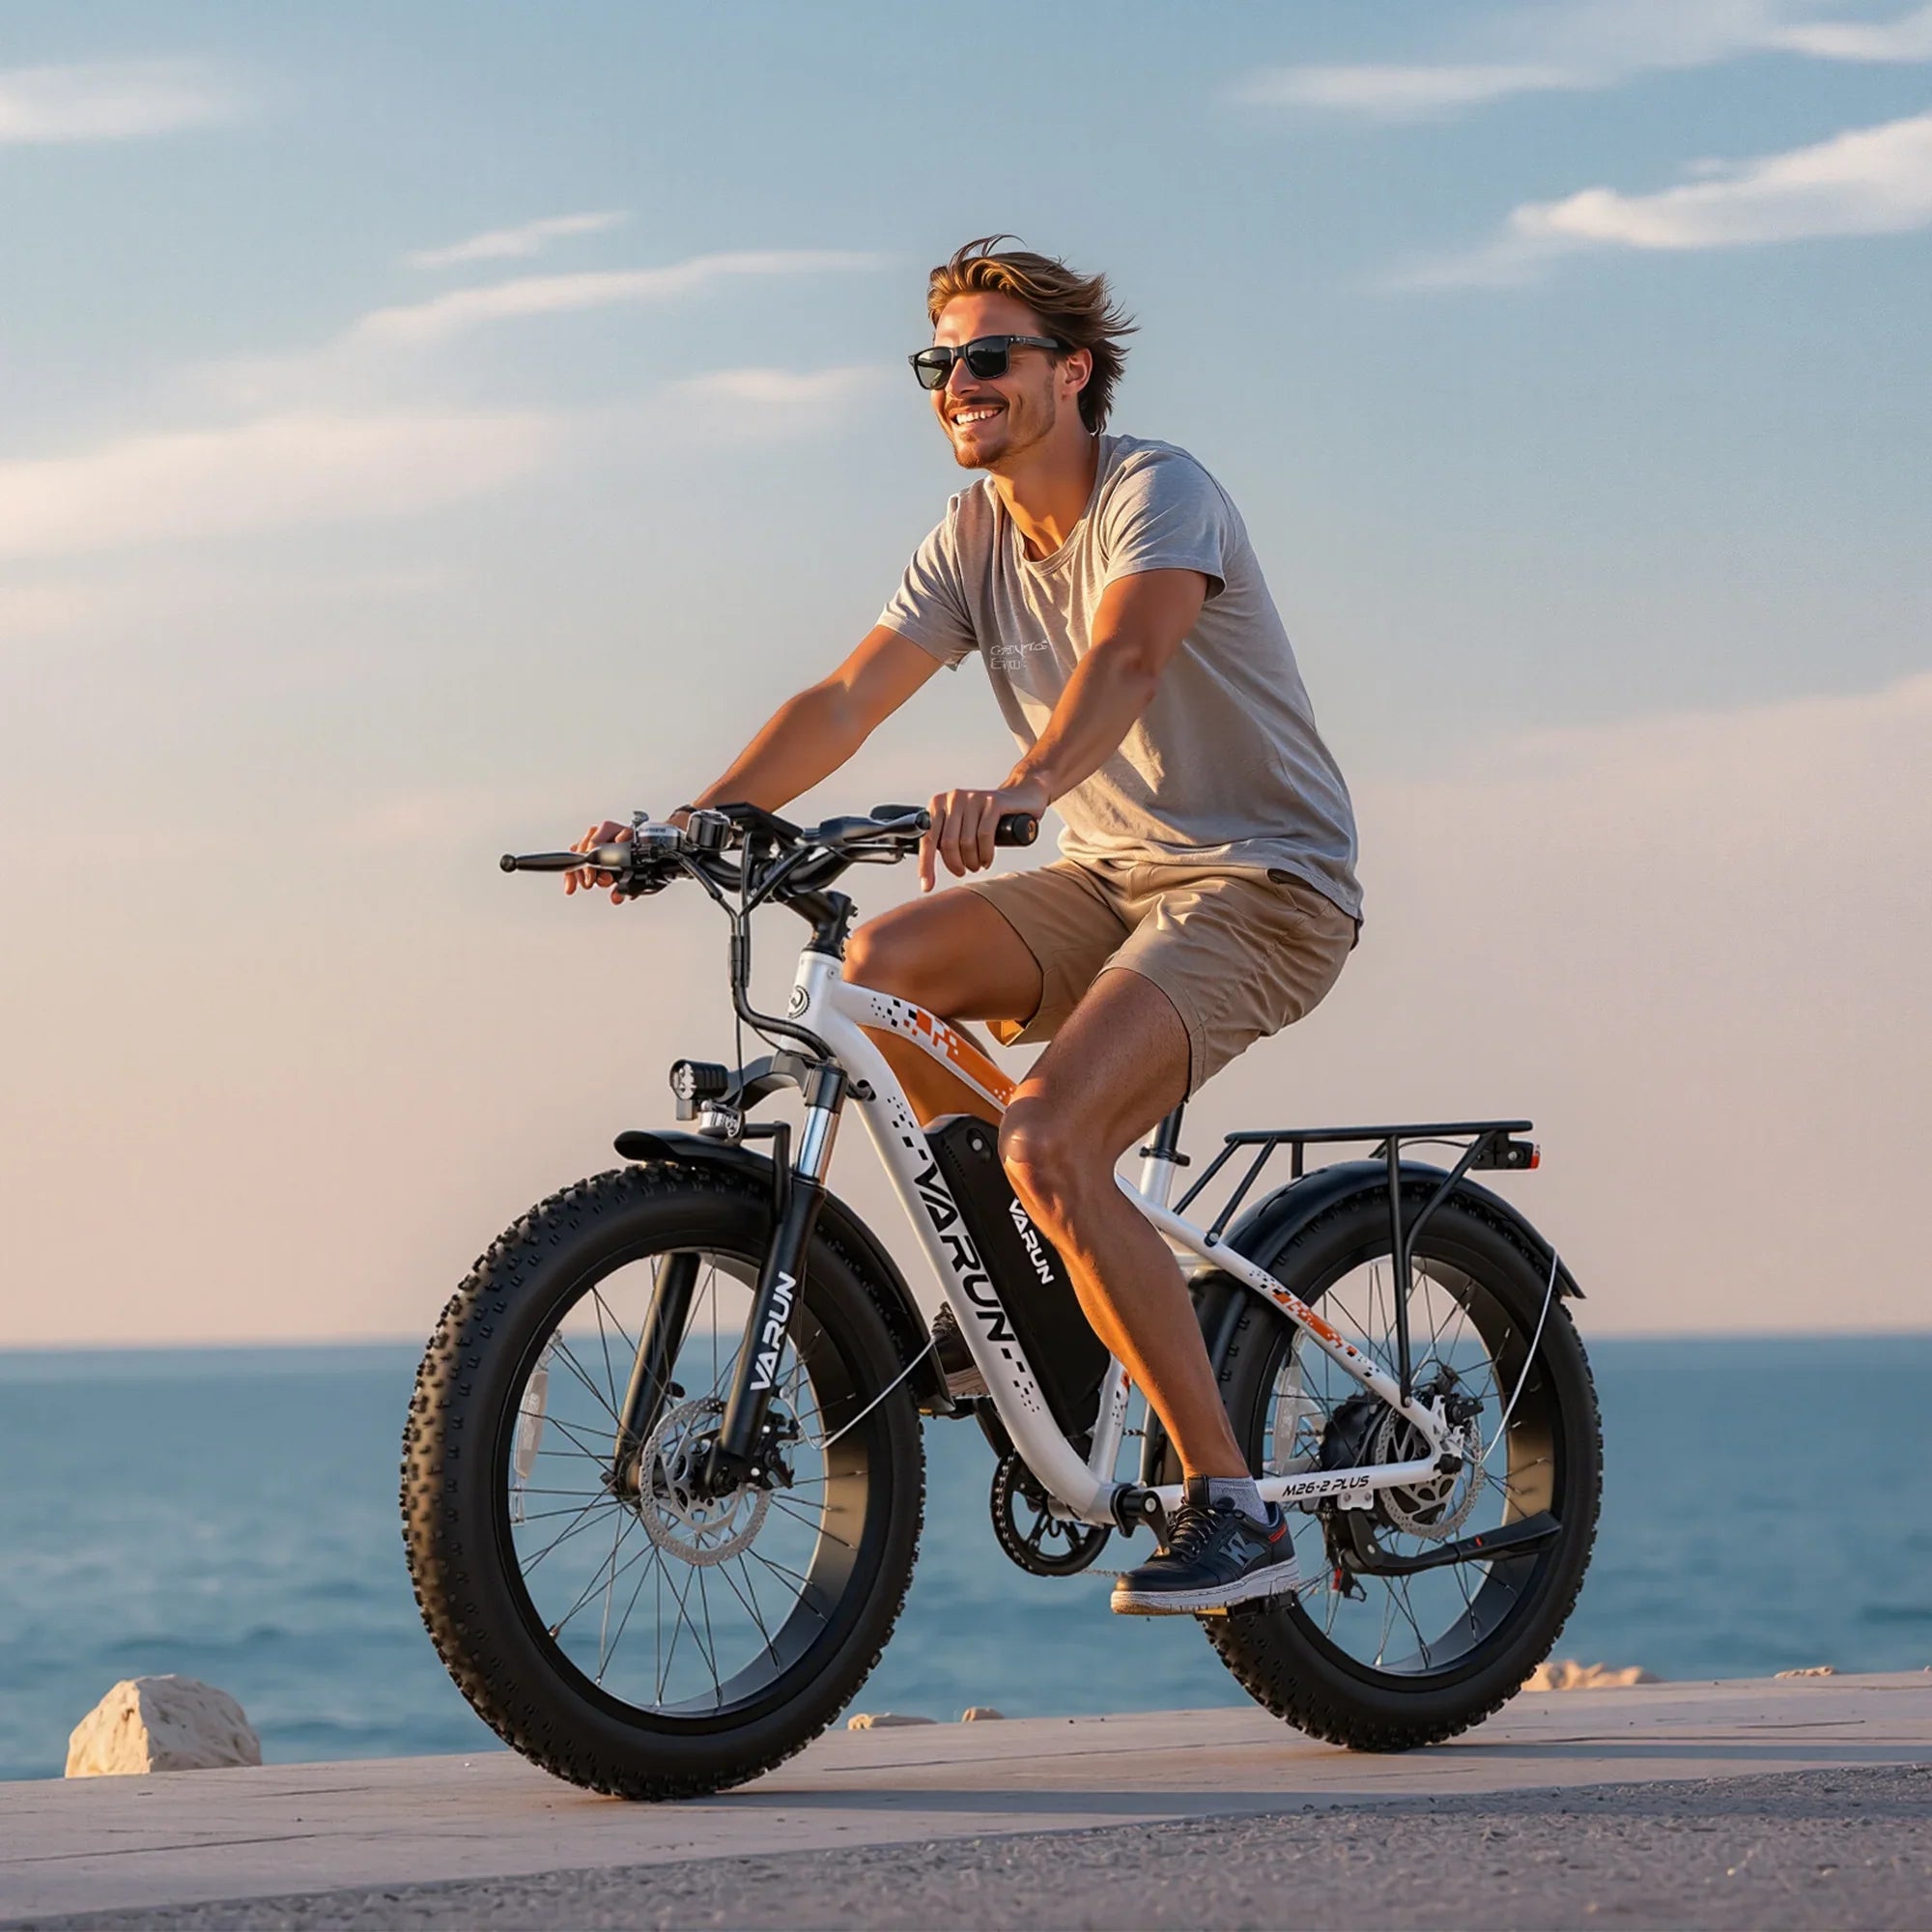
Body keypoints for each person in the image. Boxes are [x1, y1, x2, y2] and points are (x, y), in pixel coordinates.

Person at [569, 236, 1361, 1616]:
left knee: (1052, 1135)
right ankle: (1027, 1273)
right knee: (879, 968)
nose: (958, 385)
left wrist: (1025, 788)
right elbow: (844, 699)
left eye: (987, 358)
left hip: (1262, 885)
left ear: (1072, 372)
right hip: (1113, 880)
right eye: (938, 364)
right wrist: (689, 819)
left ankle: (1236, 1504)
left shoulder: (1156, 492)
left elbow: (1128, 654)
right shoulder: (971, 538)